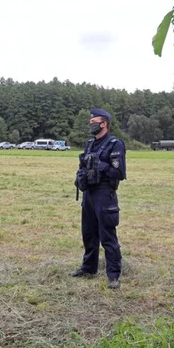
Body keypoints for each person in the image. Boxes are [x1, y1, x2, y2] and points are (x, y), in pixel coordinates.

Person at [71, 108, 126, 289]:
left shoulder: (114, 144)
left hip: (105, 195)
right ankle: (88, 268)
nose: (91, 125)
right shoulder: (89, 144)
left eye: (94, 122)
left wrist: (100, 165)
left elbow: (119, 172)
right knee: (89, 233)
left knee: (107, 235)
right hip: (89, 195)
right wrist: (80, 177)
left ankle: (113, 275)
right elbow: (83, 164)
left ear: (104, 124)